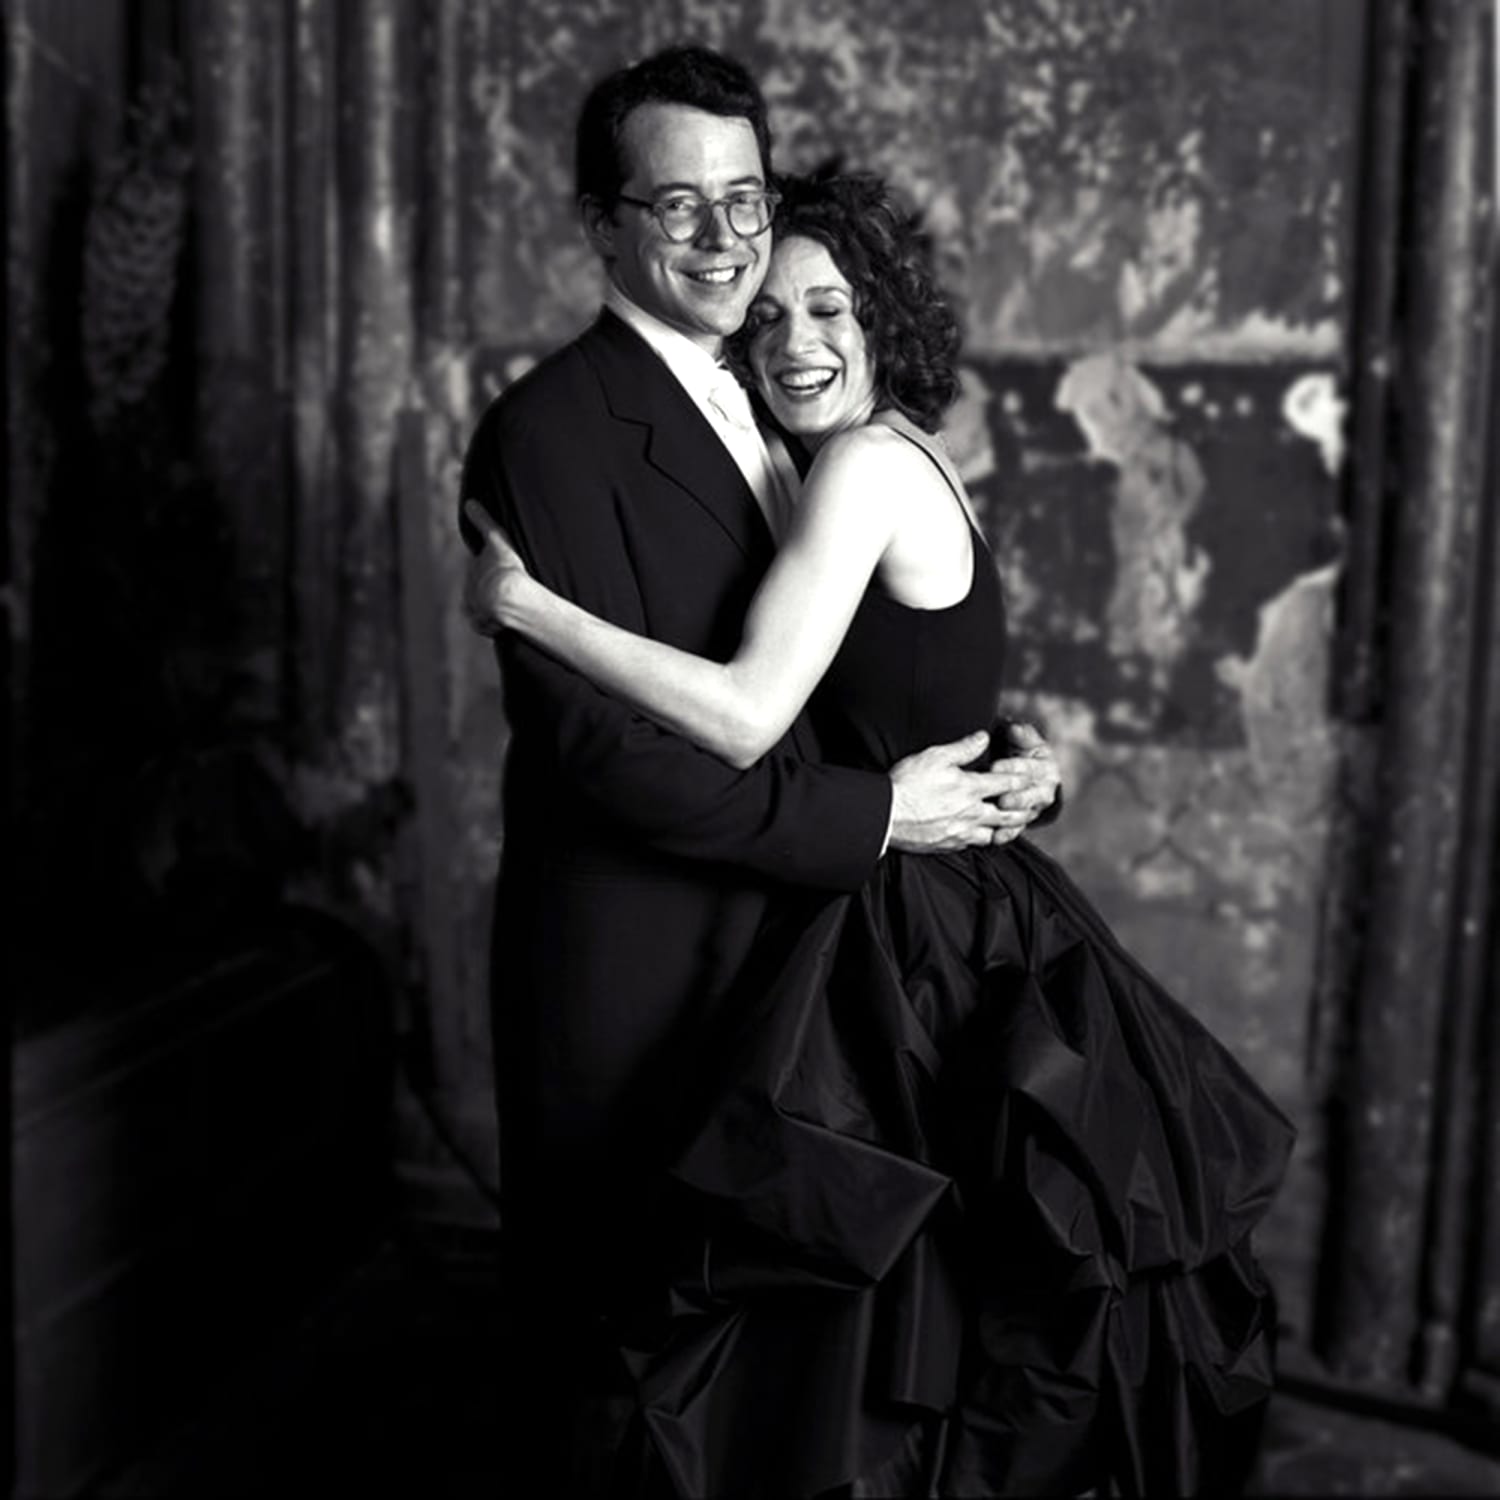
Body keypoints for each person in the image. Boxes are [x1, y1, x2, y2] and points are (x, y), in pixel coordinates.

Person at [464, 167, 1296, 1499]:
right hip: (946, 899)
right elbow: (926, 682)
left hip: (914, 932)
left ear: (881, 318)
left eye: (829, 309)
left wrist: (533, 611)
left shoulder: (856, 469)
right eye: (768, 317)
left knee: (888, 1316)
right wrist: (1027, 758)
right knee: (919, 1315)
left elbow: (748, 713)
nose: (794, 342)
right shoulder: (905, 452)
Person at [456, 47, 1062, 1499]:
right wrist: (878, 817)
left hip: (806, 976)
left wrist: (1003, 757)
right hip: (641, 981)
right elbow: (611, 759)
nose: (727, 240)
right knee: (624, 1382)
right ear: (602, 224)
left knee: (793, 1403)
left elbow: (869, 669)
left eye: (747, 198)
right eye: (679, 204)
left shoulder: (799, 401)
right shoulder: (549, 432)